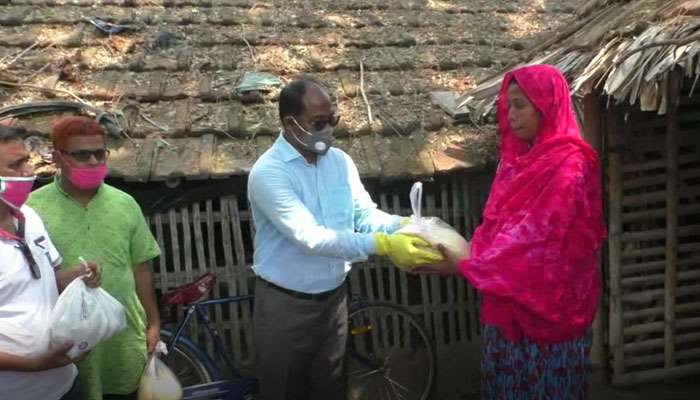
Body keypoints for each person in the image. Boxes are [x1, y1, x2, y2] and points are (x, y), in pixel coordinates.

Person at [247, 78, 443, 400]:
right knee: (283, 390)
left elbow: (365, 215)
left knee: (332, 388)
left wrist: (403, 225)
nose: (328, 130)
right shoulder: (269, 173)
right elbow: (310, 237)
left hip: (334, 302)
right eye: (318, 123)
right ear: (289, 123)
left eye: (332, 120)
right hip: (285, 307)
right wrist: (381, 245)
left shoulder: (339, 163)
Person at [430, 65, 606, 399]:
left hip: (553, 314)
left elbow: (537, 242)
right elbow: (494, 227)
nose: (511, 115)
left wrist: (465, 265)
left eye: (520, 105)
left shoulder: (570, 167)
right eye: (508, 105)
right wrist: (470, 255)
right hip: (508, 310)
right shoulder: (514, 162)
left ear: (546, 105)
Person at [28, 116, 161, 400]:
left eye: (99, 153)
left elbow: (141, 267)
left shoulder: (124, 204)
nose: (92, 161)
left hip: (123, 340)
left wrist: (153, 324)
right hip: (65, 345)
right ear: (58, 158)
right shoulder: (32, 209)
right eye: (81, 154)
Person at [0, 123, 100, 400]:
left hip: (64, 385)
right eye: (16, 165)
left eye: (27, 161)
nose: (29, 172)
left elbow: (48, 282)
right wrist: (35, 364)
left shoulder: (28, 217)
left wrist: (79, 275)